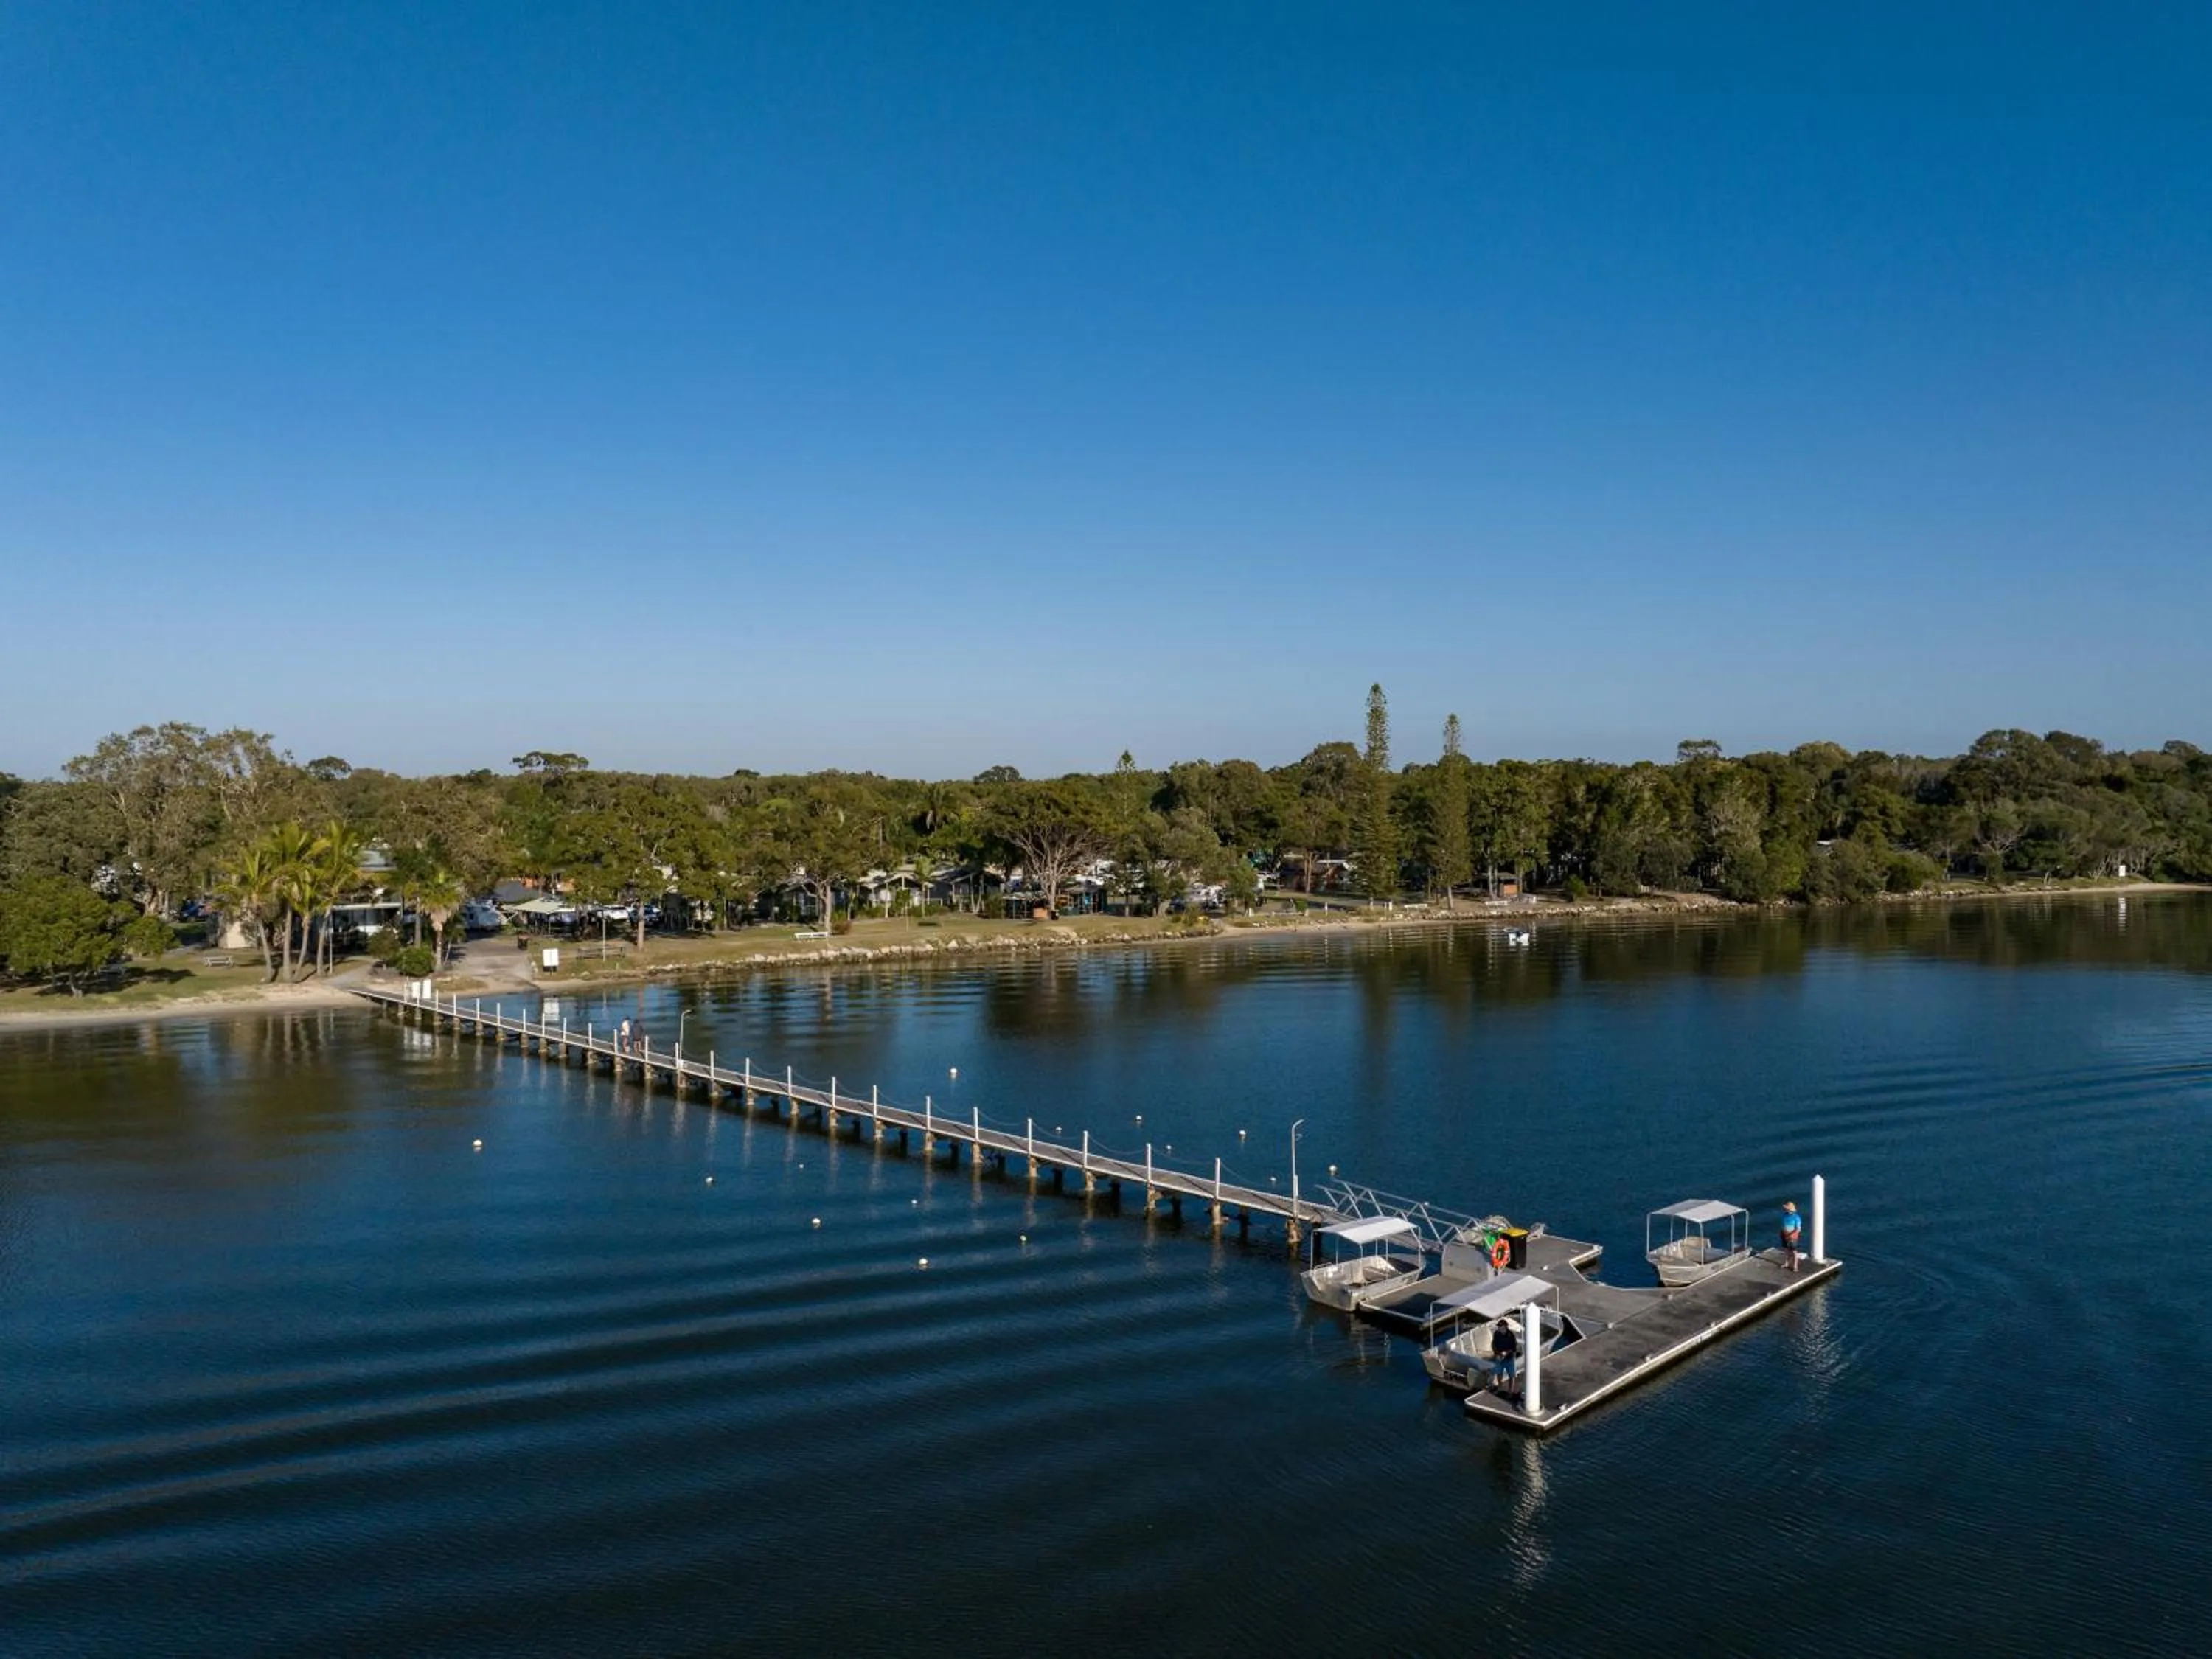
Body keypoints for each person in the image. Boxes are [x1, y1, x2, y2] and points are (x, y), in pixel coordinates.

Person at [1489, 1314, 1520, 1397]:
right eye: (1499, 1326)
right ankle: (1500, 1388)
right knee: (1499, 1373)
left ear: (1506, 1327)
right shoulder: (1496, 1334)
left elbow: (1514, 1348)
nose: (1500, 1328)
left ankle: (1510, 1392)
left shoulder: (1511, 1335)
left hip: (1509, 1358)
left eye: (1501, 1326)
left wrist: (1506, 1353)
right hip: (1499, 1357)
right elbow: (1493, 1344)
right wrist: (1496, 1354)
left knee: (1511, 1375)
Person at [1779, 1200, 1803, 1273]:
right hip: (1785, 1234)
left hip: (1792, 1236)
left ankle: (1795, 1266)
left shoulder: (1796, 1218)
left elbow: (1798, 1229)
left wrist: (1791, 1235)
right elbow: (1783, 1225)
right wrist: (1782, 1232)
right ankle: (1787, 1263)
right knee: (1786, 1250)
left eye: (1786, 1209)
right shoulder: (1785, 1215)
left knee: (1794, 1251)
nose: (1785, 1210)